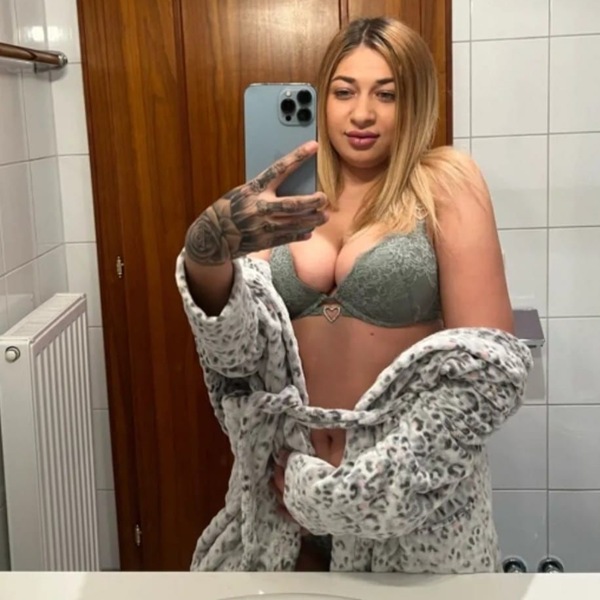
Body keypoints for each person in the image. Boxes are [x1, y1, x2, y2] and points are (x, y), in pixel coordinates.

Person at [177, 17, 530, 573]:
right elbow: (236, 357)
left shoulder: (444, 183)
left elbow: (486, 375)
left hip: (410, 519)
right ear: (324, 98)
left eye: (386, 94)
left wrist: (349, 498)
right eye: (344, 92)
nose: (361, 113)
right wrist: (206, 252)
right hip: (284, 512)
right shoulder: (285, 195)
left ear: (414, 101)